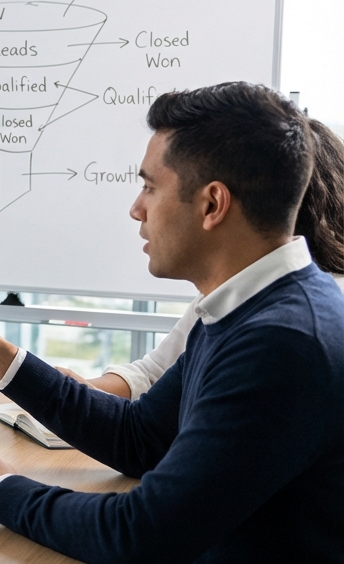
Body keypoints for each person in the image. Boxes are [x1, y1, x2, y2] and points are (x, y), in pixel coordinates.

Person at [0, 82, 343, 564]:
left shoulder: (280, 343)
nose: (136, 208)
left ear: (212, 204)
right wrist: (1, 359)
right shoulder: (253, 305)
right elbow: (140, 435)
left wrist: (0, 491)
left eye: (150, 186)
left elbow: (141, 537)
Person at [69, 117, 344, 399]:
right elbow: (153, 380)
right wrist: (60, 390)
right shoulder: (229, 293)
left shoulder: (295, 323)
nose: (136, 210)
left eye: (151, 188)